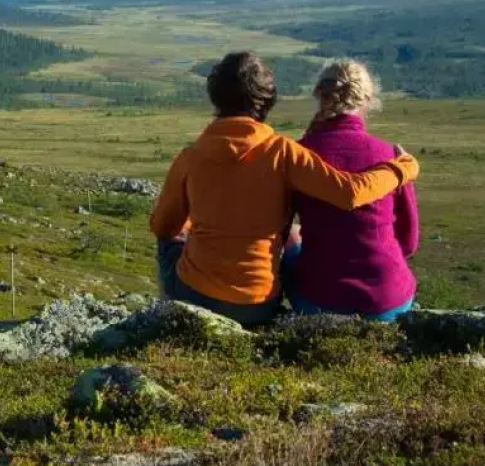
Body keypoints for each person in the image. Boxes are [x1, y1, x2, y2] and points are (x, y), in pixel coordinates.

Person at [150, 51, 420, 326]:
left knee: (170, 240)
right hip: (260, 304)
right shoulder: (285, 153)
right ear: (269, 99)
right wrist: (402, 168)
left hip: (198, 295)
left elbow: (162, 227)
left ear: (215, 97)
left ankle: (168, 322)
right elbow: (352, 195)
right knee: (290, 235)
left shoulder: (190, 157)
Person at [284, 60, 419, 321]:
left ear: (320, 95)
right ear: (367, 100)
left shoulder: (298, 154)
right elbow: (409, 242)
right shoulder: (393, 157)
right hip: (388, 301)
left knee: (291, 237)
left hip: (318, 300)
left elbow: (278, 227)